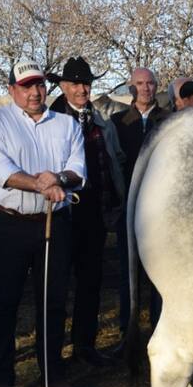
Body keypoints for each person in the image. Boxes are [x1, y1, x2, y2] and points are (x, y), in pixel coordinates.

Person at [0, 59, 86, 387]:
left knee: (52, 302)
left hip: (55, 222)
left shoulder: (67, 124)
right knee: (4, 300)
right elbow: (1, 171)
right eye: (26, 86)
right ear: (12, 90)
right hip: (9, 223)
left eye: (39, 85)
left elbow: (78, 172)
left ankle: (52, 375)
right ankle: (2, 378)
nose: (34, 92)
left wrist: (58, 179)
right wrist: (42, 184)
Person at [48, 57, 126, 368]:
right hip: (62, 211)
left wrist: (117, 199)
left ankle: (84, 345)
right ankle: (52, 351)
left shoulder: (101, 121)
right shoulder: (52, 119)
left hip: (94, 210)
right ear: (64, 86)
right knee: (56, 283)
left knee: (90, 282)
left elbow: (114, 161)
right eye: (76, 83)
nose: (82, 89)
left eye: (86, 83)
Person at [111, 68, 170, 334]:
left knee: (160, 274)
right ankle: (128, 330)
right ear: (130, 87)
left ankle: (160, 328)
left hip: (162, 209)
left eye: (150, 84)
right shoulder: (117, 122)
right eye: (139, 84)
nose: (145, 88)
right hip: (129, 207)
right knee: (129, 273)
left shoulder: (169, 120)